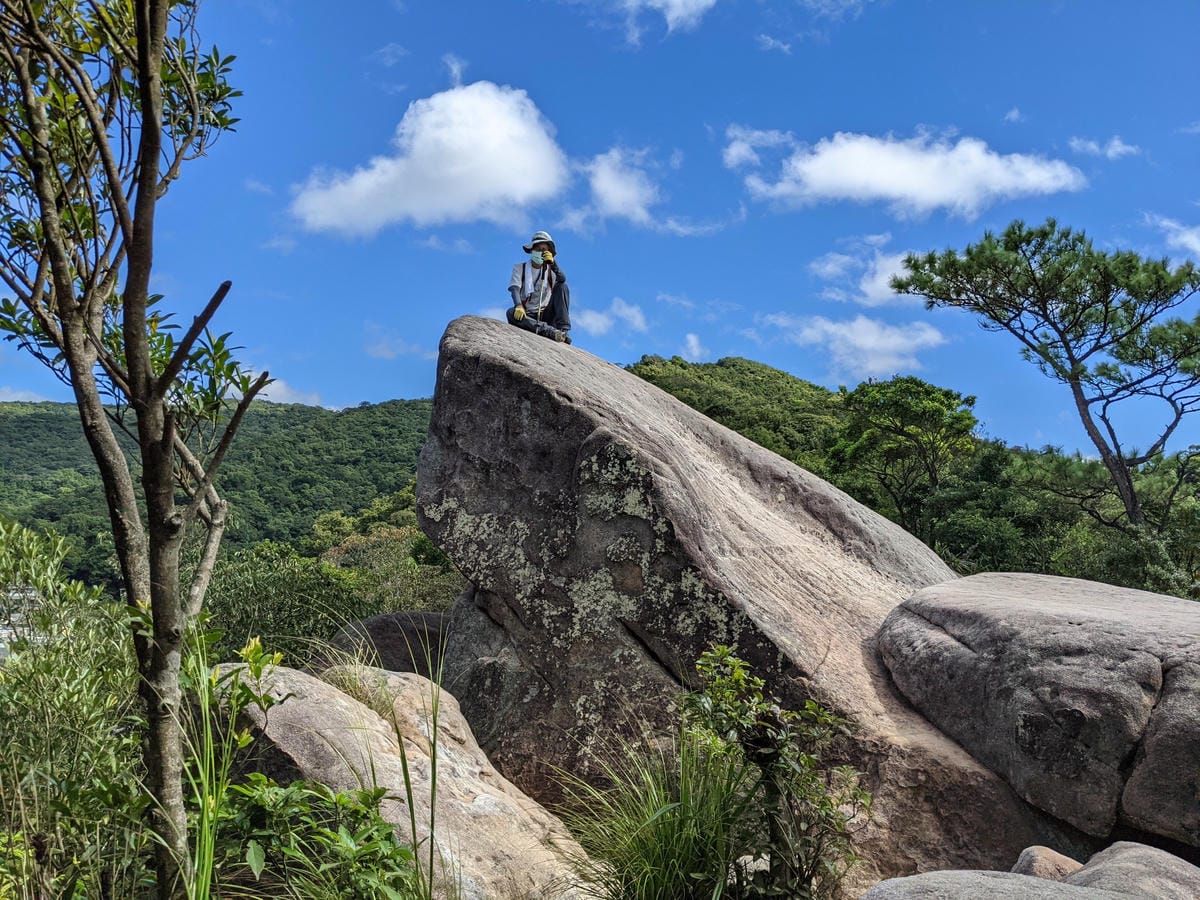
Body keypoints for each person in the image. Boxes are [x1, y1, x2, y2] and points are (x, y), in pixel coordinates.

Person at [507, 230, 571, 343]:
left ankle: (563, 332)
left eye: (543, 250)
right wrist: (518, 305)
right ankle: (548, 331)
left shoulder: (551, 270)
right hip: (528, 314)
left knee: (563, 287)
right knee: (511, 313)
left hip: (547, 313)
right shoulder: (520, 268)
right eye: (537, 249)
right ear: (532, 250)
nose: (540, 252)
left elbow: (562, 279)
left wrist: (553, 264)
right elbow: (514, 288)